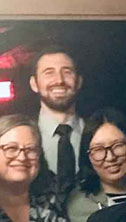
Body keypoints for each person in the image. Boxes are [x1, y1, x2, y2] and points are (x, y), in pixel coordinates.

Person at [66, 107, 126, 222]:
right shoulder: (80, 203)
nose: (110, 157)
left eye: (118, 146)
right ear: (87, 156)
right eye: (98, 150)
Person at [30, 44, 84, 186]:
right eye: (49, 72)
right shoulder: (22, 136)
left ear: (79, 82)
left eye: (67, 72)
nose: (59, 80)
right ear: (34, 84)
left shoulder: (98, 134)